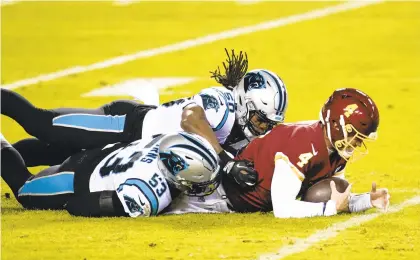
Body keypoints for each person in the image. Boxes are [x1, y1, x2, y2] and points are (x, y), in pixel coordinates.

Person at [1, 50, 288, 188]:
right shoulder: (222, 103)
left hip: (134, 153)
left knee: (53, 153)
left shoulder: (243, 134)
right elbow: (191, 120)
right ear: (243, 102)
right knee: (41, 124)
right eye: (261, 119)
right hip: (124, 126)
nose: (263, 127)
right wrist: (226, 162)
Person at [164, 88, 390, 218]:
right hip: (210, 194)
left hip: (236, 197)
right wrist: (329, 209)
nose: (356, 144)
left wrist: (367, 201)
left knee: (336, 187)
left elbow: (337, 197)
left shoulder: (336, 146)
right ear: (337, 124)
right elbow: (283, 209)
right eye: (355, 136)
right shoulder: (302, 144)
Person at [0, 132, 223, 217]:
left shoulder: (170, 139)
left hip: (103, 151)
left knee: (50, 152)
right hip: (79, 177)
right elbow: (82, 206)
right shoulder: (151, 193)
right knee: (24, 189)